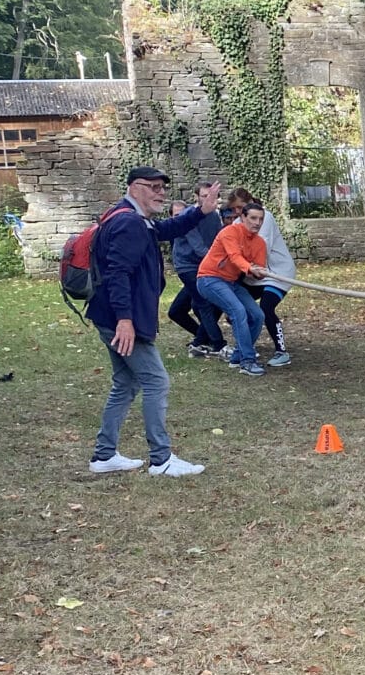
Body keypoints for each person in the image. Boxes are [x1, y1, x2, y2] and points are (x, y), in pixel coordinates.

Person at [85, 165, 221, 477]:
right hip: (121, 318)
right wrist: (125, 320)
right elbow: (117, 273)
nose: (161, 193)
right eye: (153, 187)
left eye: (163, 188)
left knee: (126, 383)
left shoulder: (134, 218)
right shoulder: (128, 222)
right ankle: (161, 460)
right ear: (134, 187)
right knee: (156, 381)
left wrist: (201, 211)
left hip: (109, 315)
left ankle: (104, 455)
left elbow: (166, 230)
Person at [197, 202, 271, 377]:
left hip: (230, 282)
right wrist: (249, 267)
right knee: (238, 311)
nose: (257, 223)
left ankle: (237, 356)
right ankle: (247, 361)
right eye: (253, 218)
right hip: (209, 278)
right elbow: (235, 256)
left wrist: (259, 273)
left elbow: (257, 271)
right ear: (243, 217)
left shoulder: (260, 243)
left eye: (260, 219)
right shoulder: (229, 232)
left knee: (258, 315)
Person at [165, 188, 226, 355]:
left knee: (185, 309)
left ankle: (201, 340)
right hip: (189, 268)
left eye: (211, 196)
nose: (208, 199)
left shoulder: (214, 216)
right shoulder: (187, 217)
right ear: (196, 197)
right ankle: (218, 344)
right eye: (204, 196)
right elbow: (198, 247)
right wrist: (219, 261)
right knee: (202, 304)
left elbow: (219, 239)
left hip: (204, 266)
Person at [246, 204, 296, 365]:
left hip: (278, 274)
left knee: (266, 308)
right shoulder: (236, 224)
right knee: (236, 306)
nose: (256, 222)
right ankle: (246, 346)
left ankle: (281, 351)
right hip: (254, 275)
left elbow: (262, 249)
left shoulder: (265, 218)